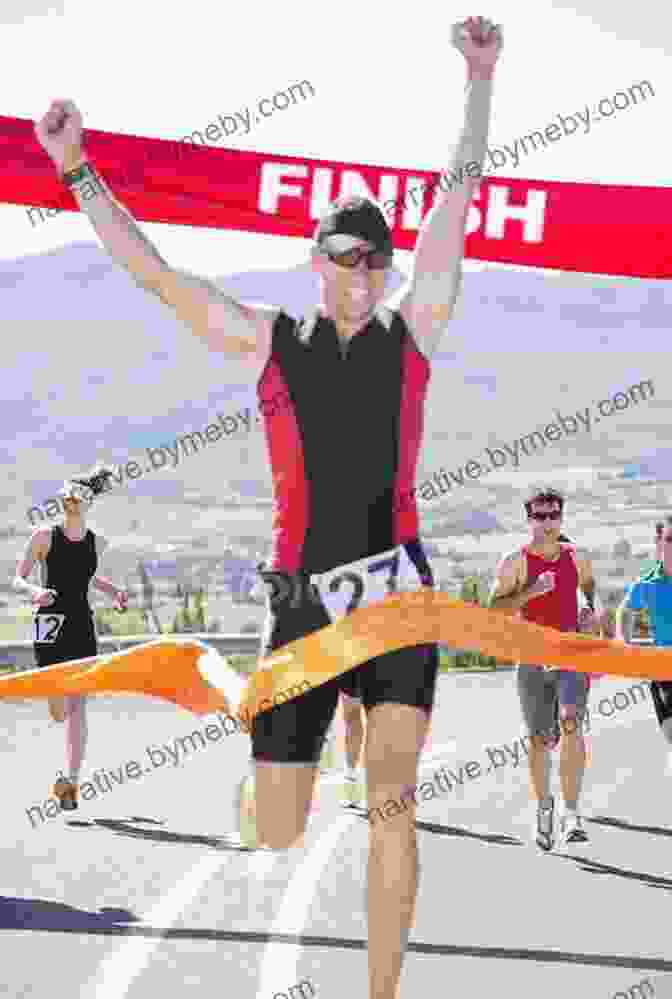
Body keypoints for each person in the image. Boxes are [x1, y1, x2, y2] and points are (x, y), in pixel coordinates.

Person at [34, 18, 502, 996]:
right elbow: (156, 275)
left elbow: (457, 201)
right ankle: (290, 768)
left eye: (375, 261)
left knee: (394, 809)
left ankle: (382, 991)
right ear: (316, 259)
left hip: (395, 595)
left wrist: (479, 79)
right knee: (278, 825)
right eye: (344, 259)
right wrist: (78, 171)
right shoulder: (266, 341)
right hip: (299, 605)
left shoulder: (415, 334)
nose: (361, 277)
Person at [489, 488, 603, 850]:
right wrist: (531, 591)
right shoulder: (514, 562)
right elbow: (494, 610)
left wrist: (592, 616)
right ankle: (544, 807)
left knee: (571, 723)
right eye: (539, 516)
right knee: (540, 741)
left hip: (570, 652)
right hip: (532, 658)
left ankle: (572, 814)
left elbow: (591, 594)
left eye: (553, 515)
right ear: (528, 520)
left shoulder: (576, 557)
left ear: (561, 517)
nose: (547, 523)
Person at [12, 467, 128, 810]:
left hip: (81, 625)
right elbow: (17, 578)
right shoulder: (42, 538)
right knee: (58, 709)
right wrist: (34, 591)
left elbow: (86, 578)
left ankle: (71, 782)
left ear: (86, 503)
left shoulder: (98, 542)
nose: (69, 504)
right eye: (66, 499)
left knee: (78, 705)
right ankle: (69, 775)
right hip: (47, 623)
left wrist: (114, 591)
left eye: (75, 500)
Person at [616, 516, 672, 762]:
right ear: (660, 543)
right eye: (670, 539)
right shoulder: (646, 585)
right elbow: (627, 617)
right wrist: (625, 642)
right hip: (662, 673)